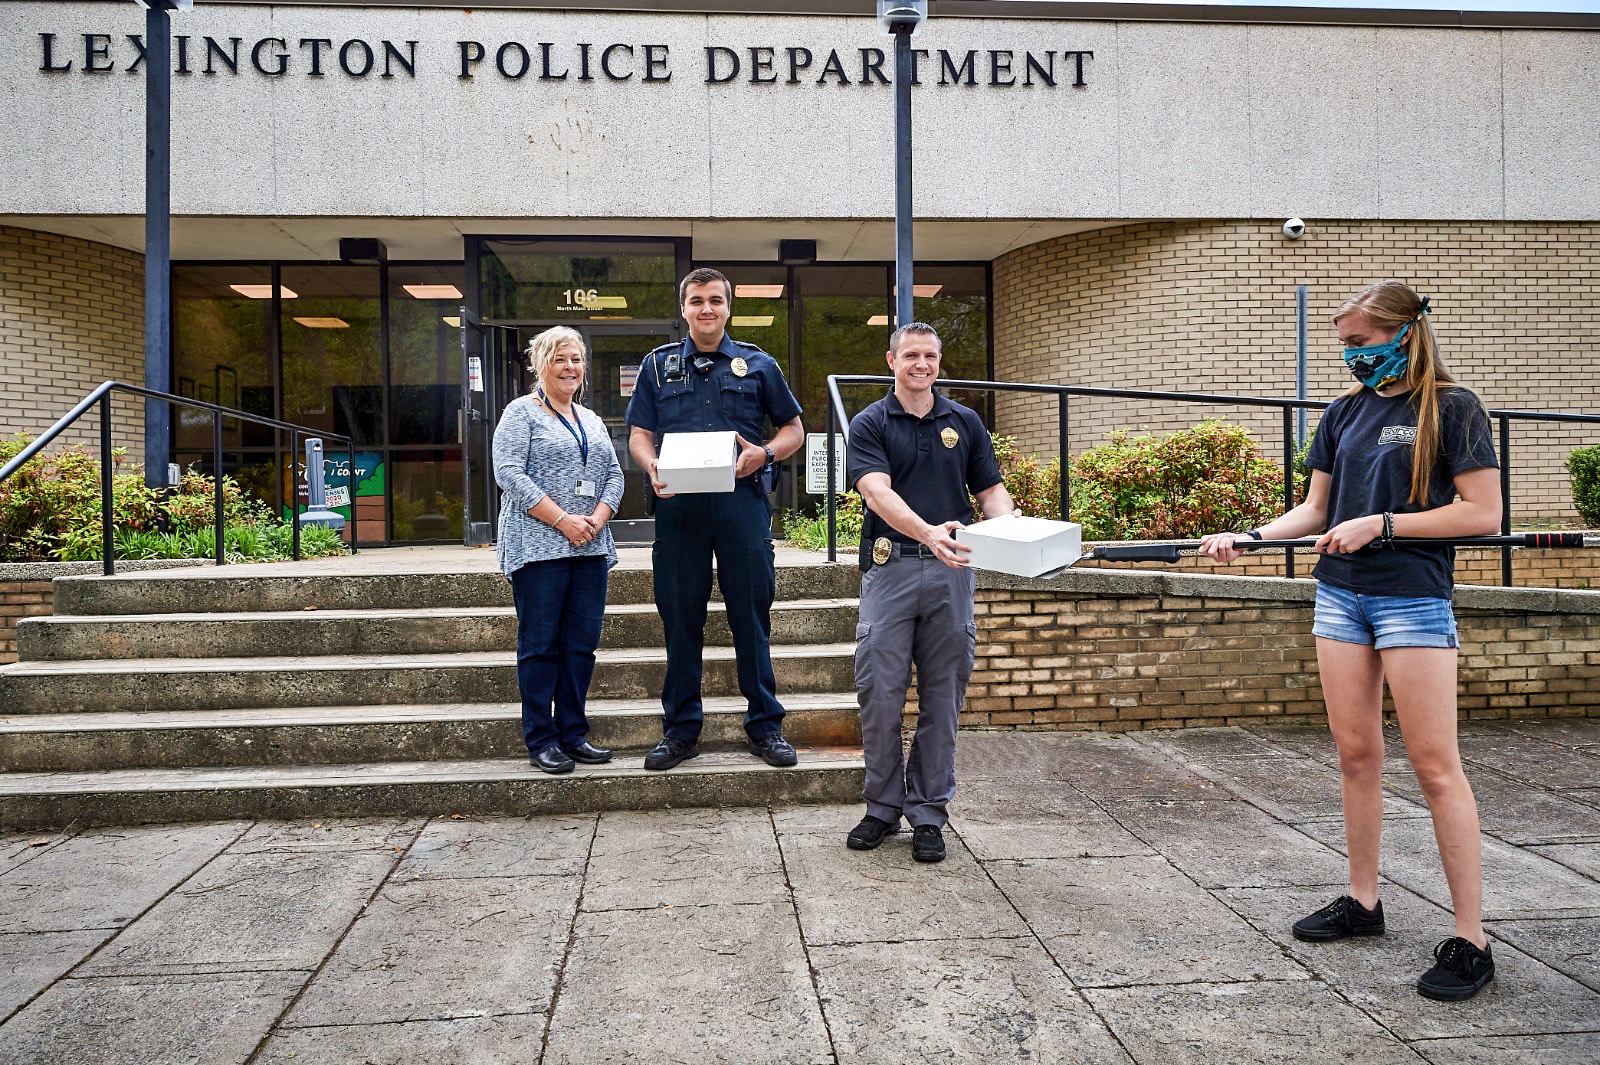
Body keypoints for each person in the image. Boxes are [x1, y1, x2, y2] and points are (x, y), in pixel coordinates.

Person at [1198, 281, 1501, 1001]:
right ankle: (1363, 903)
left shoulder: (1452, 408)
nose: (1350, 356)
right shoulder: (1342, 412)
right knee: (1357, 753)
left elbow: (1482, 511)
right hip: (1340, 595)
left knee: (1435, 767)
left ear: (1403, 334)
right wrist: (1248, 536)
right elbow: (1315, 509)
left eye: (1361, 343)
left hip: (1411, 598)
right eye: (1345, 345)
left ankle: (1472, 940)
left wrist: (1385, 523)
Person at [844, 322, 1017, 863]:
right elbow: (876, 493)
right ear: (891, 360)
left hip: (952, 575)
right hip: (891, 570)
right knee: (880, 696)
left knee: (942, 700)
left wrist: (1014, 534)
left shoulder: (964, 421)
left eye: (931, 356)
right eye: (911, 355)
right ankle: (881, 808)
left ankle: (927, 814)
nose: (922, 364)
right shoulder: (871, 423)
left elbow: (991, 493)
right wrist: (928, 533)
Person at [625, 267, 806, 771]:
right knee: (680, 620)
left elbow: (794, 430)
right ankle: (680, 733)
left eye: (716, 301)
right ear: (683, 309)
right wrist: (650, 463)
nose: (707, 309)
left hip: (741, 505)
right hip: (679, 509)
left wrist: (766, 455)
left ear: (729, 308)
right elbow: (640, 432)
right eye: (697, 301)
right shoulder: (657, 366)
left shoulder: (758, 363)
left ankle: (766, 728)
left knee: (751, 616)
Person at [493, 326, 624, 775]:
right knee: (540, 645)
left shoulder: (591, 419)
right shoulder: (520, 413)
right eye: (559, 359)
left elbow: (614, 473)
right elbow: (508, 473)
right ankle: (541, 739)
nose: (570, 367)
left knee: (581, 646)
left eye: (576, 359)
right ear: (540, 364)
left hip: (589, 547)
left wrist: (596, 519)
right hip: (538, 547)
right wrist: (562, 519)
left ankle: (573, 733)